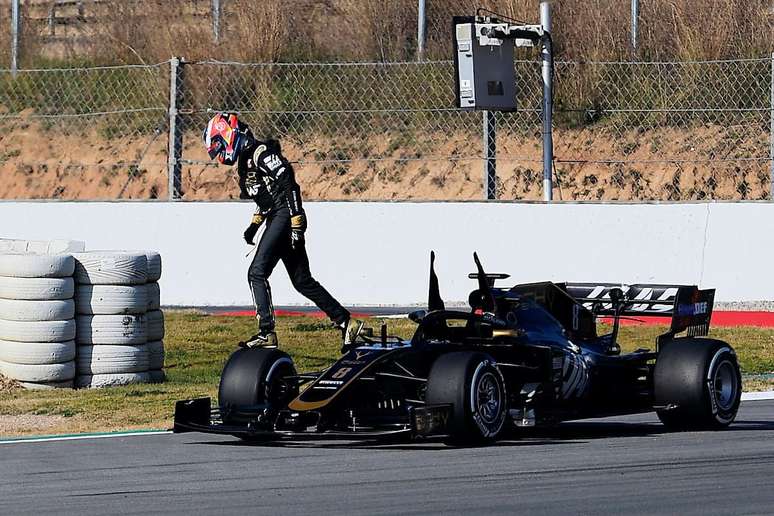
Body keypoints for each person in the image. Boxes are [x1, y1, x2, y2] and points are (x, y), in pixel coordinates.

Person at [203, 112, 358, 349]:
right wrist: (254, 226)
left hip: (284, 216)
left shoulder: (260, 153)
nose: (219, 153)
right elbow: (265, 197)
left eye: (218, 145)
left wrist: (297, 218)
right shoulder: (246, 161)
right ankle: (346, 322)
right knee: (302, 281)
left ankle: (266, 332)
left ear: (229, 134)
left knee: (256, 273)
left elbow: (288, 183)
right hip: (277, 216)